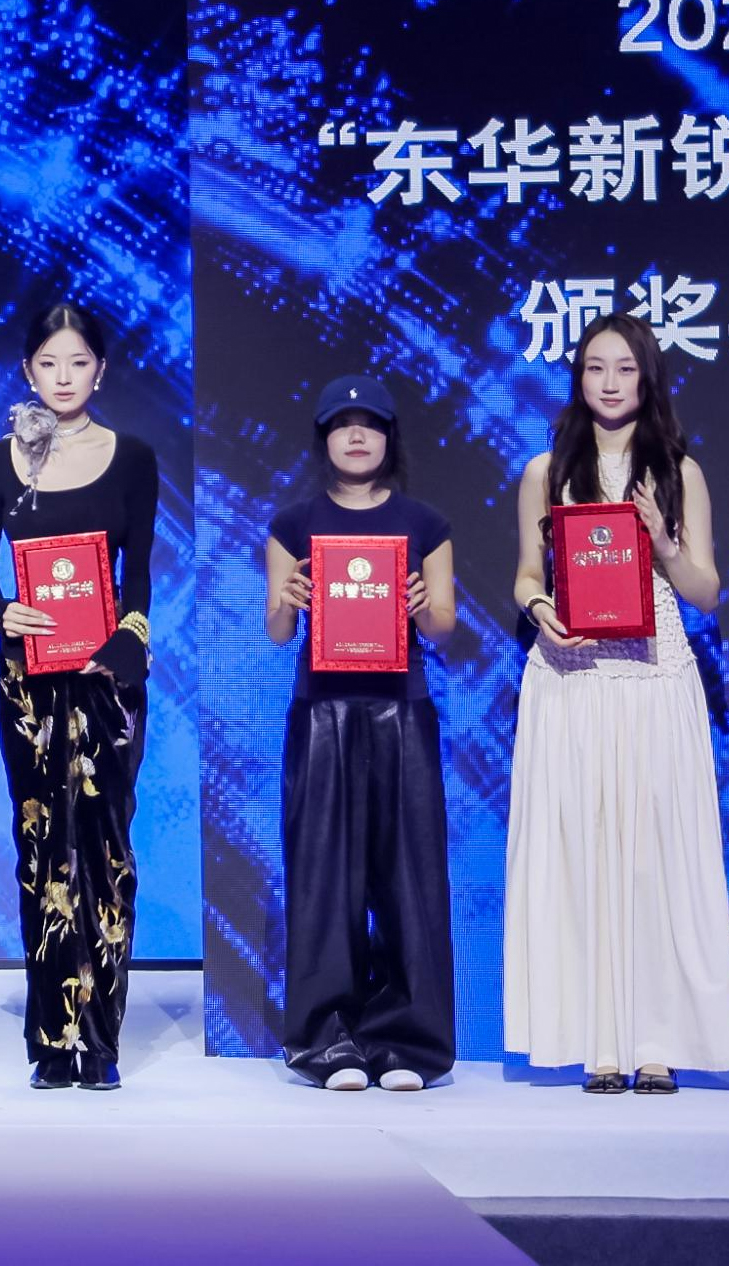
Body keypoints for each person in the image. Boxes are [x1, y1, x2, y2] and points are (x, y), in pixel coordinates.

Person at [502, 311, 729, 1093]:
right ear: (577, 376)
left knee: (653, 860)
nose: (608, 383)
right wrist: (540, 609)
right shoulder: (546, 469)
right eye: (594, 367)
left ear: (647, 378)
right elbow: (525, 574)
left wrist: (662, 540)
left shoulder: (678, 469)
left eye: (624, 369)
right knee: (577, 857)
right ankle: (594, 1043)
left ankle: (654, 1044)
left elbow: (706, 591)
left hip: (652, 678)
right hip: (570, 680)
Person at [0, 304, 159, 1089]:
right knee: (42, 846)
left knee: (106, 849)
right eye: (48, 363)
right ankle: (53, 1039)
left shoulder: (131, 456)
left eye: (77, 362)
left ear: (99, 370)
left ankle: (101, 1040)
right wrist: (1, 608)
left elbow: (138, 569)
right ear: (27, 371)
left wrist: (130, 636)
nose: (63, 376)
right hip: (28, 676)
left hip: (107, 674)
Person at [263, 373, 460, 1093]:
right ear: (323, 439)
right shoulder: (293, 523)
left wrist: (420, 605)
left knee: (408, 880)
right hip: (321, 712)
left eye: (370, 424)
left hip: (400, 710)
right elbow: (276, 629)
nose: (356, 435)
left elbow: (443, 626)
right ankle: (328, 1043)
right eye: (342, 424)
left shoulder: (424, 522)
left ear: (388, 438)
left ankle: (407, 1043)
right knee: (325, 882)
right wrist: (288, 600)